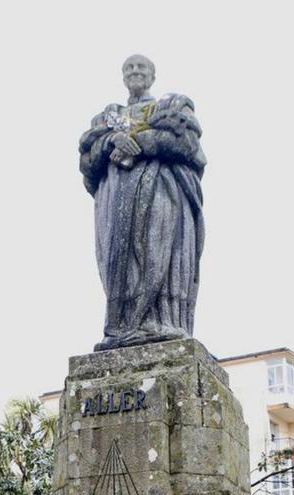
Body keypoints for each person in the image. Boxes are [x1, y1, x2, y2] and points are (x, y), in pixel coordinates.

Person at [79, 54, 207, 351]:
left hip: (162, 192)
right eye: (129, 68)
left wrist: (139, 142)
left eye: (141, 68)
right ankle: (123, 328)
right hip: (116, 200)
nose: (135, 72)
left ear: (152, 75)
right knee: (119, 263)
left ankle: (162, 324)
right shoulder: (106, 118)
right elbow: (87, 163)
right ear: (123, 77)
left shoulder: (171, 106)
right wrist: (111, 142)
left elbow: (186, 145)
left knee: (157, 252)